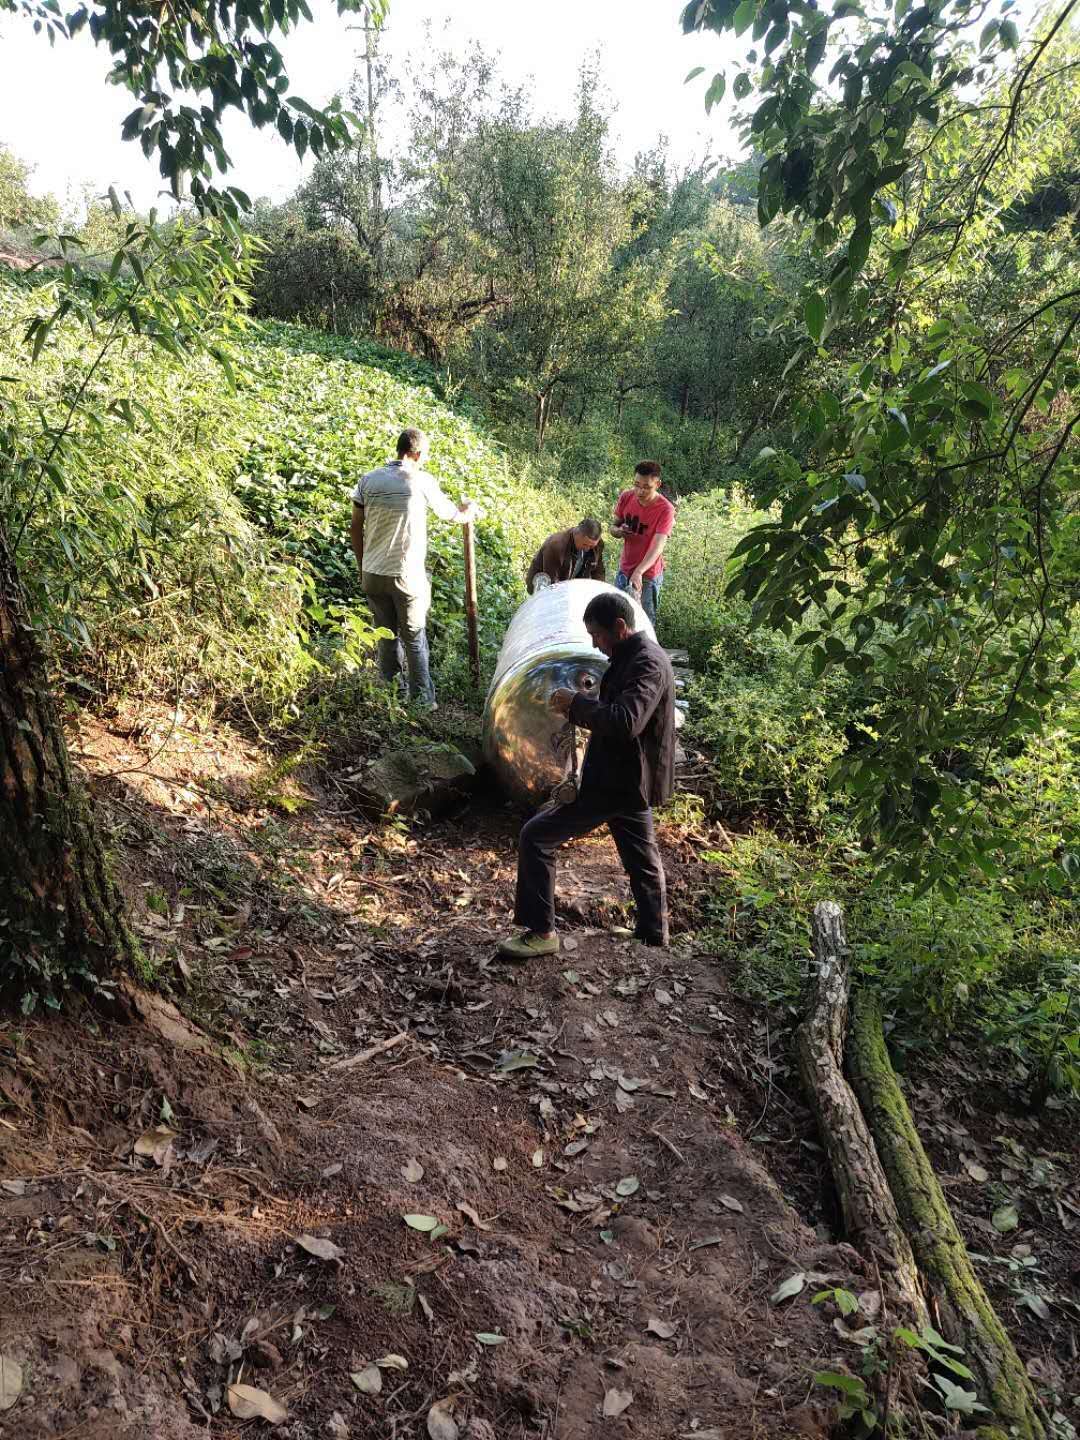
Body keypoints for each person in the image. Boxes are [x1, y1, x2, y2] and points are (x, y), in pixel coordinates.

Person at [497, 590, 675, 960]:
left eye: (597, 634)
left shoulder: (648, 664)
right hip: (626, 781)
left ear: (621, 627)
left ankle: (542, 931)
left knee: (536, 836)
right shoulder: (629, 657)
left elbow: (626, 722)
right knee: (642, 860)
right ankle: (654, 936)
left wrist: (576, 704)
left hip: (616, 781)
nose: (594, 642)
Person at [350, 427, 476, 708]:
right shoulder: (420, 481)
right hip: (406, 575)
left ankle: (391, 695)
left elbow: (355, 527)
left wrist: (363, 566)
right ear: (417, 454)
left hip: (372, 573)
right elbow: (451, 515)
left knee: (386, 636)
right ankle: (421, 701)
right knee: (414, 637)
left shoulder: (367, 481)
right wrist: (468, 512)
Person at [610, 460, 676, 624]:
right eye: (636, 485)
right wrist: (619, 531)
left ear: (658, 484)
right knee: (617, 617)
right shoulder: (626, 497)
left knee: (645, 621)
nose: (640, 491)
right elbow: (613, 527)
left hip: (648, 574)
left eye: (646, 487)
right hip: (625, 569)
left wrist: (639, 572)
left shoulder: (665, 509)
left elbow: (658, 546)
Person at [525, 517, 605, 592]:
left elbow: (598, 571)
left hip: (569, 584)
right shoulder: (556, 546)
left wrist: (599, 592)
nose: (588, 549)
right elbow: (552, 583)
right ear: (577, 534)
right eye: (585, 545)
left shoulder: (597, 545)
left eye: (591, 546)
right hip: (542, 584)